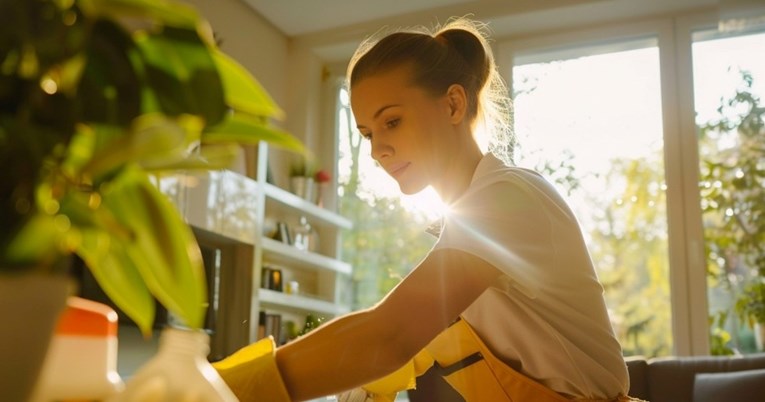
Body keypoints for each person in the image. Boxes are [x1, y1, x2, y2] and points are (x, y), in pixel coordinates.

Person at [212, 16, 635, 402]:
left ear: (453, 104)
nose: (378, 149)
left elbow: (390, 332)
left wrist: (221, 389)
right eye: (366, 133)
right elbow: (405, 338)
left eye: (392, 121)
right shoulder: (469, 226)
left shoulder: (509, 197)